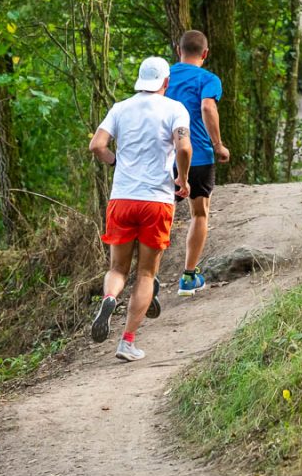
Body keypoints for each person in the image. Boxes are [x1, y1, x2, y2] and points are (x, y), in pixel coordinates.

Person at [87, 56, 192, 362]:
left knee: (117, 268)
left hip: (122, 198)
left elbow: (97, 145)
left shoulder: (120, 108)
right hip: (156, 200)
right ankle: (127, 342)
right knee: (146, 273)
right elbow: (184, 147)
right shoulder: (175, 109)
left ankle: (109, 298)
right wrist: (182, 179)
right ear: (166, 82)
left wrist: (115, 162)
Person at [166, 29, 230, 295]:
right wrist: (218, 145)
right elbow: (207, 107)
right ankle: (189, 276)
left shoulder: (164, 77)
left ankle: (150, 276)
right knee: (199, 213)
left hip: (166, 155)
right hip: (200, 154)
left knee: (163, 214)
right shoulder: (209, 78)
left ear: (178, 50)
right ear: (205, 53)